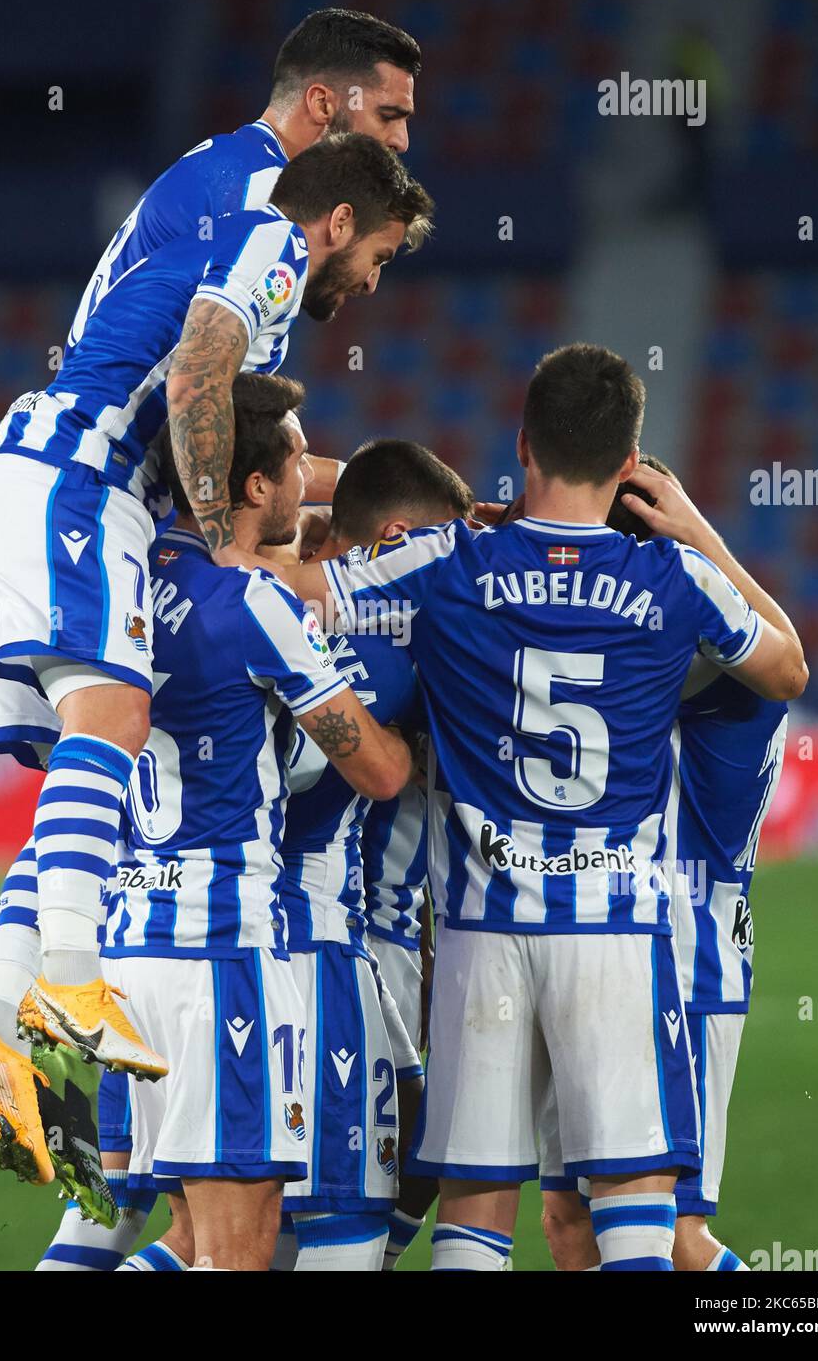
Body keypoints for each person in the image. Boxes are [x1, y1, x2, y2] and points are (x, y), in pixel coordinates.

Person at [0, 136, 432, 1198]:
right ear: (338, 223)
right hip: (79, 491)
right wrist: (220, 541)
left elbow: (270, 461)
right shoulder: (268, 247)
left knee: (88, 770)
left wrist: (413, 515)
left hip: (26, 480)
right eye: (381, 255)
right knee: (112, 725)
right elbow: (205, 372)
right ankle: (70, 985)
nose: (369, 281)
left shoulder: (204, 250)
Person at [282, 342, 807, 1270]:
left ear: (521, 445)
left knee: (476, 1211)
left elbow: (301, 590)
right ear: (626, 466)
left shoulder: (446, 563)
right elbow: (785, 665)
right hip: (614, 929)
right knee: (636, 1204)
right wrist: (688, 533)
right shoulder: (675, 584)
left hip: (484, 933)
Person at [98, 374, 411, 1271]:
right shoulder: (255, 606)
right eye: (295, 462)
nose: (309, 477)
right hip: (222, 953)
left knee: (186, 1238)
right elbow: (378, 771)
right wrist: (414, 743)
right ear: (255, 487)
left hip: (130, 948)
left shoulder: (113, 585)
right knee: (241, 1248)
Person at [538, 454, 791, 1273]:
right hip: (599, 951)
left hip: (685, 963)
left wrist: (696, 543)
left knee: (671, 1234)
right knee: (568, 1221)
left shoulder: (727, 677)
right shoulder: (673, 653)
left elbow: (774, 655)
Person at [271, 440, 472, 1270]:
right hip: (349, 943)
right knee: (377, 1171)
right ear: (398, 541)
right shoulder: (410, 650)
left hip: (244, 924)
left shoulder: (265, 614)